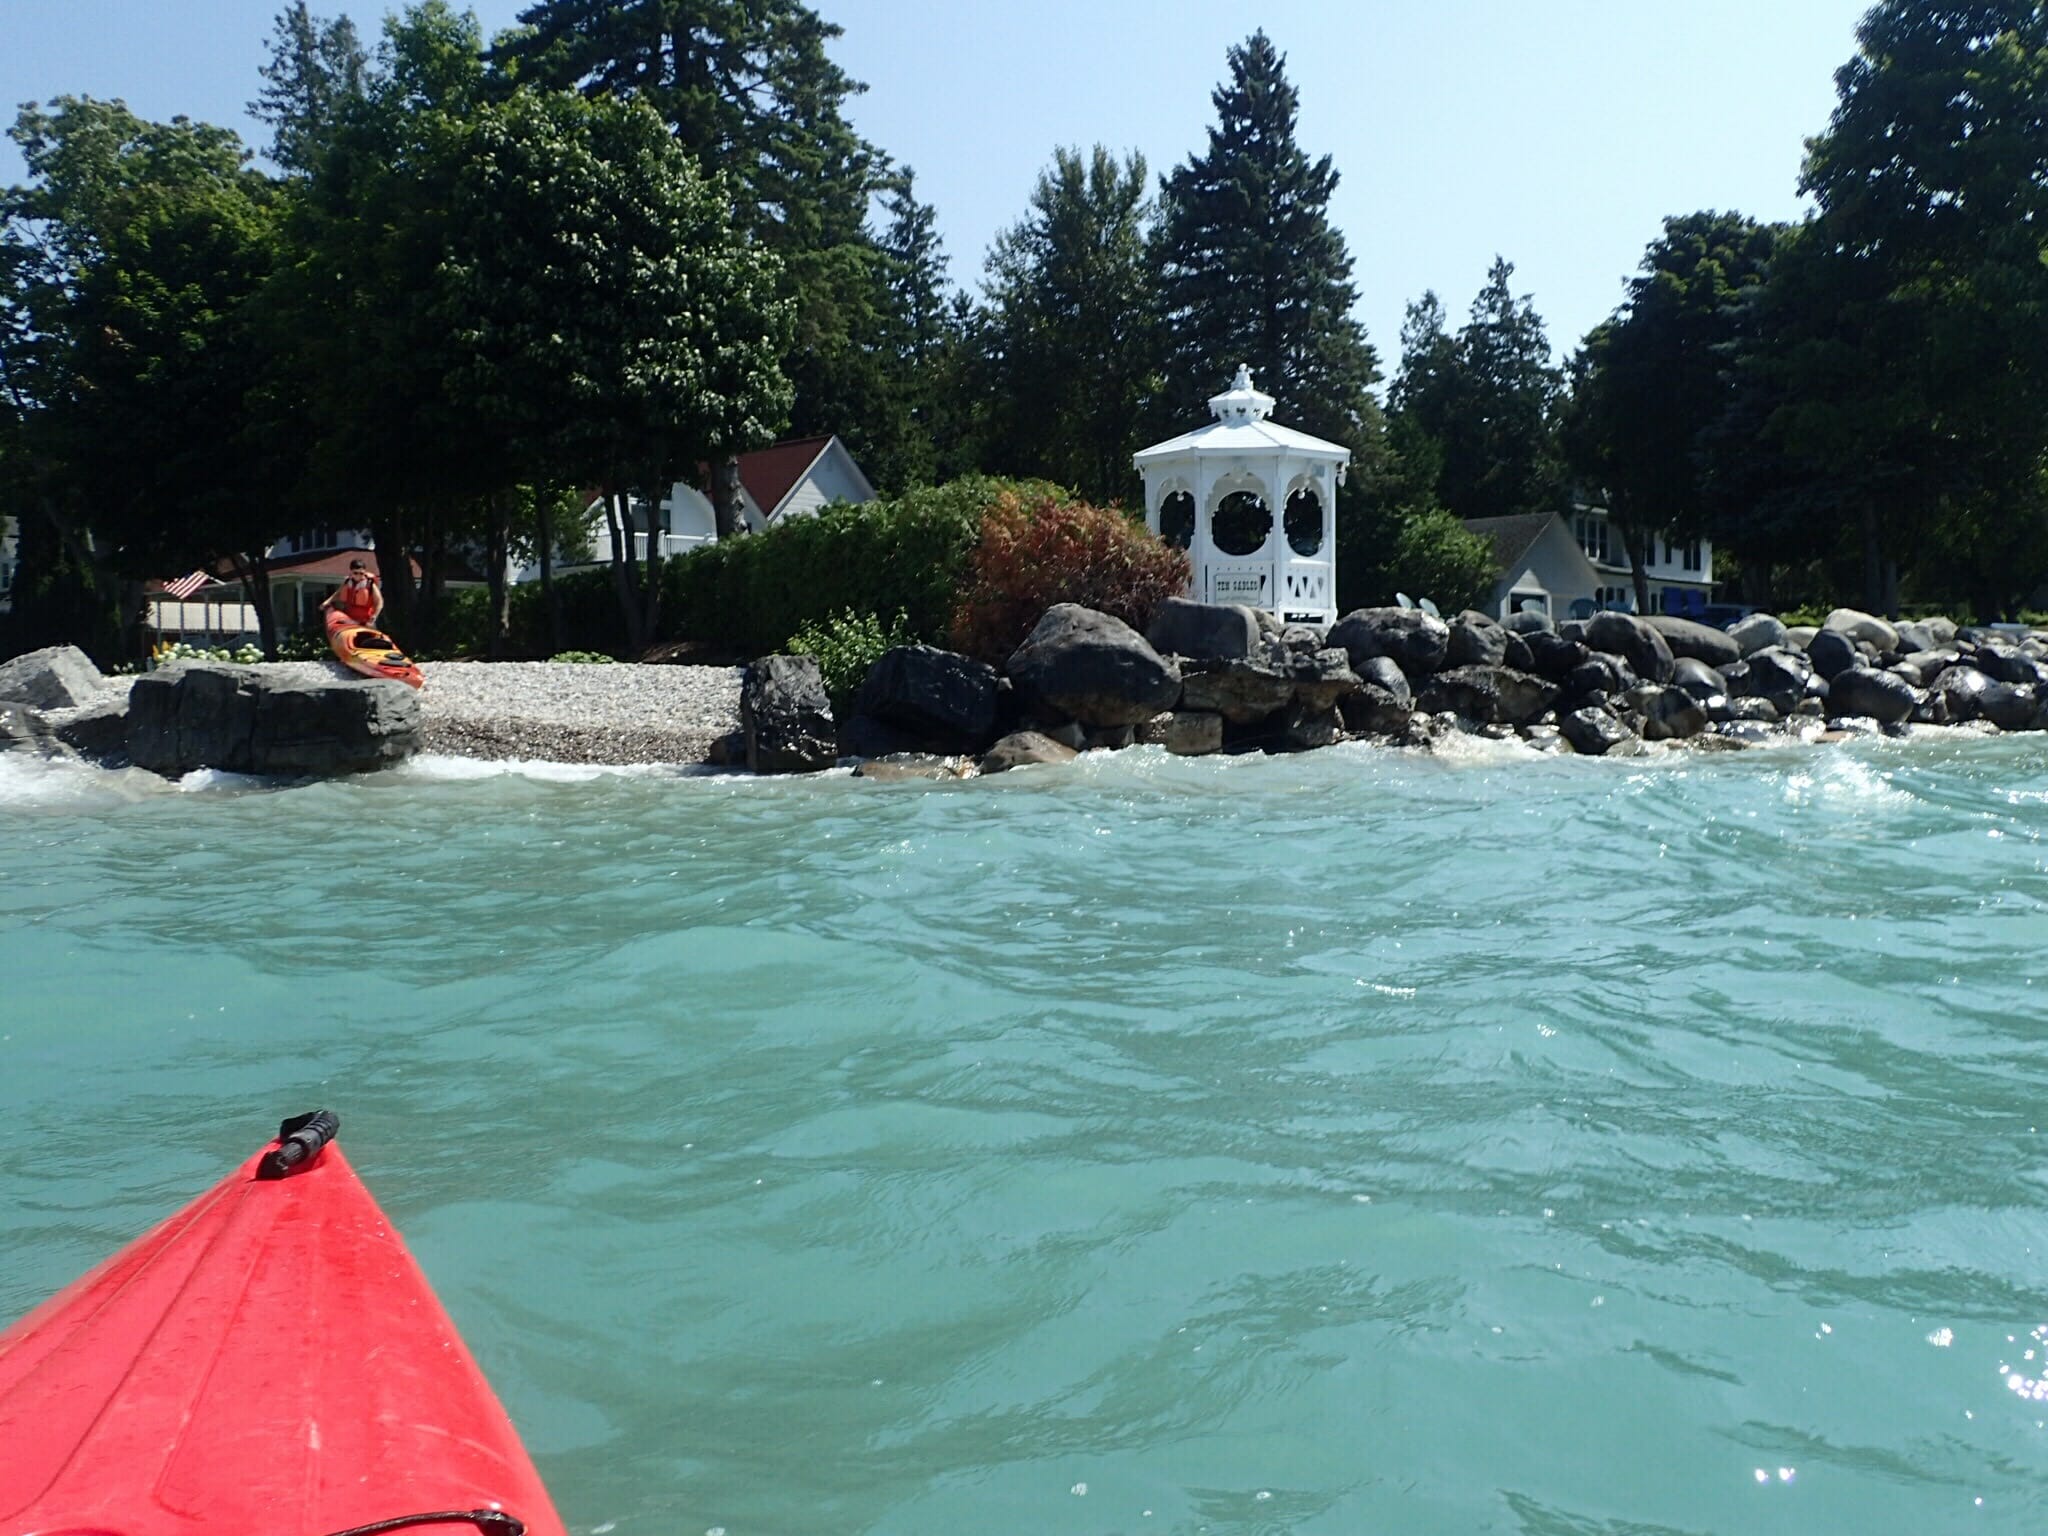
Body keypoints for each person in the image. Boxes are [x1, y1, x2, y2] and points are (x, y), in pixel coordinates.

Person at [321, 558, 384, 629]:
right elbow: (338, 594)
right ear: (351, 572)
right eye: (355, 573)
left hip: (366, 621)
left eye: (361, 573)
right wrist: (327, 602)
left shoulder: (369, 584)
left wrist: (375, 615)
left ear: (364, 572)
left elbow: (379, 602)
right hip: (349, 619)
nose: (358, 576)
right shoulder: (348, 582)